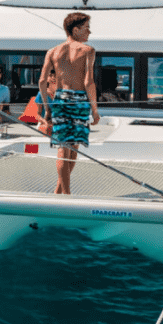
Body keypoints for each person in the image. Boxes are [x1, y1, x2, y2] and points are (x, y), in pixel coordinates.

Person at [43, 12, 99, 194]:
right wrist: (95, 110)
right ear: (76, 30)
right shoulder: (88, 51)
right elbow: (88, 82)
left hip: (60, 99)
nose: (89, 32)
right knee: (71, 147)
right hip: (79, 101)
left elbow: (42, 81)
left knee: (64, 147)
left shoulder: (52, 51)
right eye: (86, 28)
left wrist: (47, 109)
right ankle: (67, 196)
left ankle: (59, 192)